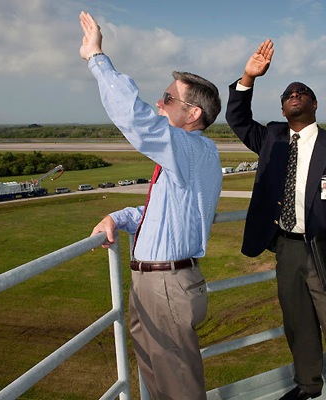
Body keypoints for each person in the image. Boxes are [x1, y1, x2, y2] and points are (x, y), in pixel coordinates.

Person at [79, 11, 222, 400]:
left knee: (179, 387)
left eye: (169, 98)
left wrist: (96, 58)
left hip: (166, 285)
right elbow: (163, 215)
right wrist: (119, 216)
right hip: (153, 282)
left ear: (194, 114)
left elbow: (136, 119)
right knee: (158, 385)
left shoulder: (189, 148)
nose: (160, 102)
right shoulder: (189, 157)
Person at [226, 39, 326, 400]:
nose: (295, 94)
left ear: (314, 104)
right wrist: (248, 76)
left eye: (302, 92)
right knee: (297, 324)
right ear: (282, 106)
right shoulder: (272, 138)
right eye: (289, 93)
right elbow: (237, 118)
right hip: (287, 248)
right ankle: (308, 386)